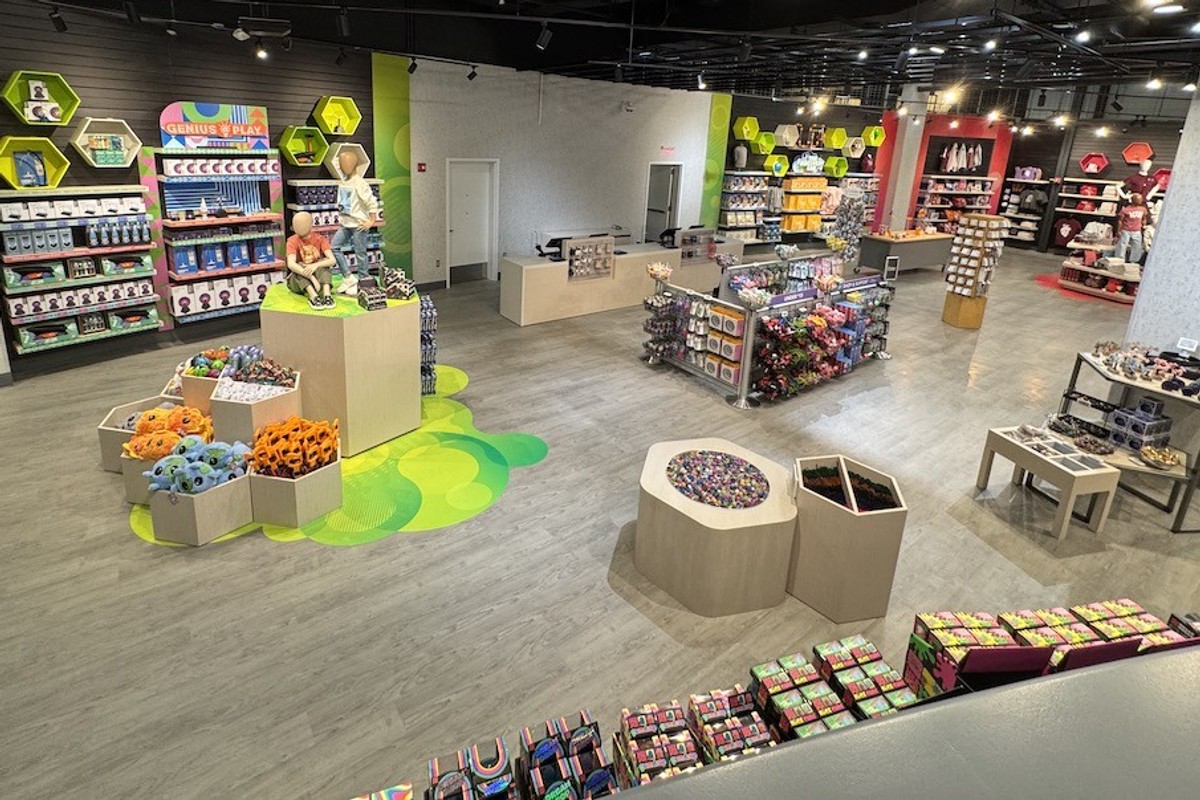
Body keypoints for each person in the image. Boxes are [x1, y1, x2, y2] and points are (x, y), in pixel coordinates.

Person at [331, 149, 379, 297]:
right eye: (340, 163)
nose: (341, 166)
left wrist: (371, 220)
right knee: (334, 247)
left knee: (361, 254)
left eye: (344, 163)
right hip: (346, 223)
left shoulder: (360, 183)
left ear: (353, 164)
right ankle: (348, 277)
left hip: (358, 224)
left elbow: (371, 202)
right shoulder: (344, 182)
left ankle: (364, 281)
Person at [285, 211, 336, 309]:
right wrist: (311, 277)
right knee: (299, 266)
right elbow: (291, 264)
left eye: (302, 224)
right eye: (296, 224)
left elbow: (332, 260)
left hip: (318, 278)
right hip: (299, 282)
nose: (298, 227)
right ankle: (313, 296)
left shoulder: (320, 239)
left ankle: (327, 295)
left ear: (310, 224)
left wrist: (315, 265)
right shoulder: (292, 241)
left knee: (323, 263)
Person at [1111, 192, 1152, 264]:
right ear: (1133, 200)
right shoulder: (1125, 209)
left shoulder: (1143, 209)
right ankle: (1119, 260)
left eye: (1141, 199)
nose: (1140, 201)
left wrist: (1143, 225)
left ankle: (1134, 261)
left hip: (1137, 230)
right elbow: (1120, 221)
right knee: (1122, 245)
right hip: (1126, 230)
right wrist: (1118, 231)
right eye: (1139, 199)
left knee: (1137, 246)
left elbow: (1144, 218)